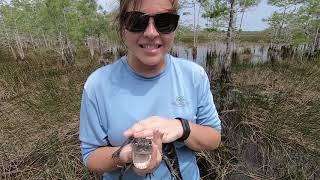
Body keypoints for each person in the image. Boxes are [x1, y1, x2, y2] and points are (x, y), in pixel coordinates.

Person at [79, 0, 222, 179]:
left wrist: (182, 128)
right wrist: (126, 154)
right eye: (136, 21)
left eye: (164, 21)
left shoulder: (194, 75)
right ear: (122, 26)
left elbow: (214, 137)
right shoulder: (97, 85)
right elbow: (90, 155)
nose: (151, 33)